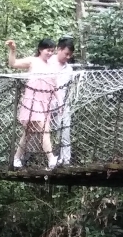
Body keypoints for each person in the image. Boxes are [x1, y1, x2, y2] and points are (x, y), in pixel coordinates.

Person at [6, 38, 57, 168]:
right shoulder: (33, 61)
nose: (50, 53)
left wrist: (58, 101)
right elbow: (13, 63)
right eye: (47, 50)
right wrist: (13, 50)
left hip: (45, 103)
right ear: (40, 49)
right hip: (33, 101)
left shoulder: (51, 66)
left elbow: (54, 85)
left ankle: (16, 158)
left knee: (28, 133)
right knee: (44, 130)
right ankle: (51, 159)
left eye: (52, 51)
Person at [50, 36, 75, 166]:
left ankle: (65, 161)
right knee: (38, 133)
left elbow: (68, 90)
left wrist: (65, 104)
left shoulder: (69, 70)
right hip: (45, 104)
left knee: (65, 133)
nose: (68, 57)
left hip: (62, 105)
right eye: (66, 54)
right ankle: (23, 160)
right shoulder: (47, 62)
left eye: (70, 55)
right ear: (59, 49)